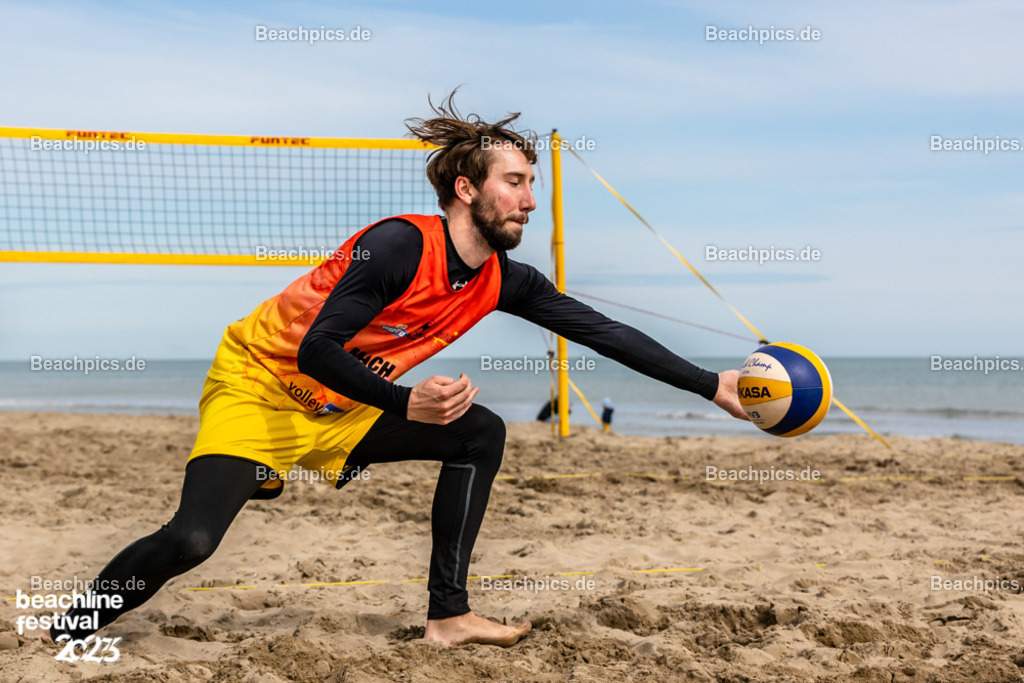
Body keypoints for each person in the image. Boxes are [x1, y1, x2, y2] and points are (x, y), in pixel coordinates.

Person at [50, 91, 747, 649]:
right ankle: (68, 628)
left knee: (480, 432)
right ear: (468, 189)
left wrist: (710, 384)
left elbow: (606, 331)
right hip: (261, 384)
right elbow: (316, 350)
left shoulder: (506, 279)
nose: (531, 198)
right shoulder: (395, 247)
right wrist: (406, 401)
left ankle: (449, 615)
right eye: (516, 183)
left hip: (341, 406)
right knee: (191, 540)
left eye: (533, 182)